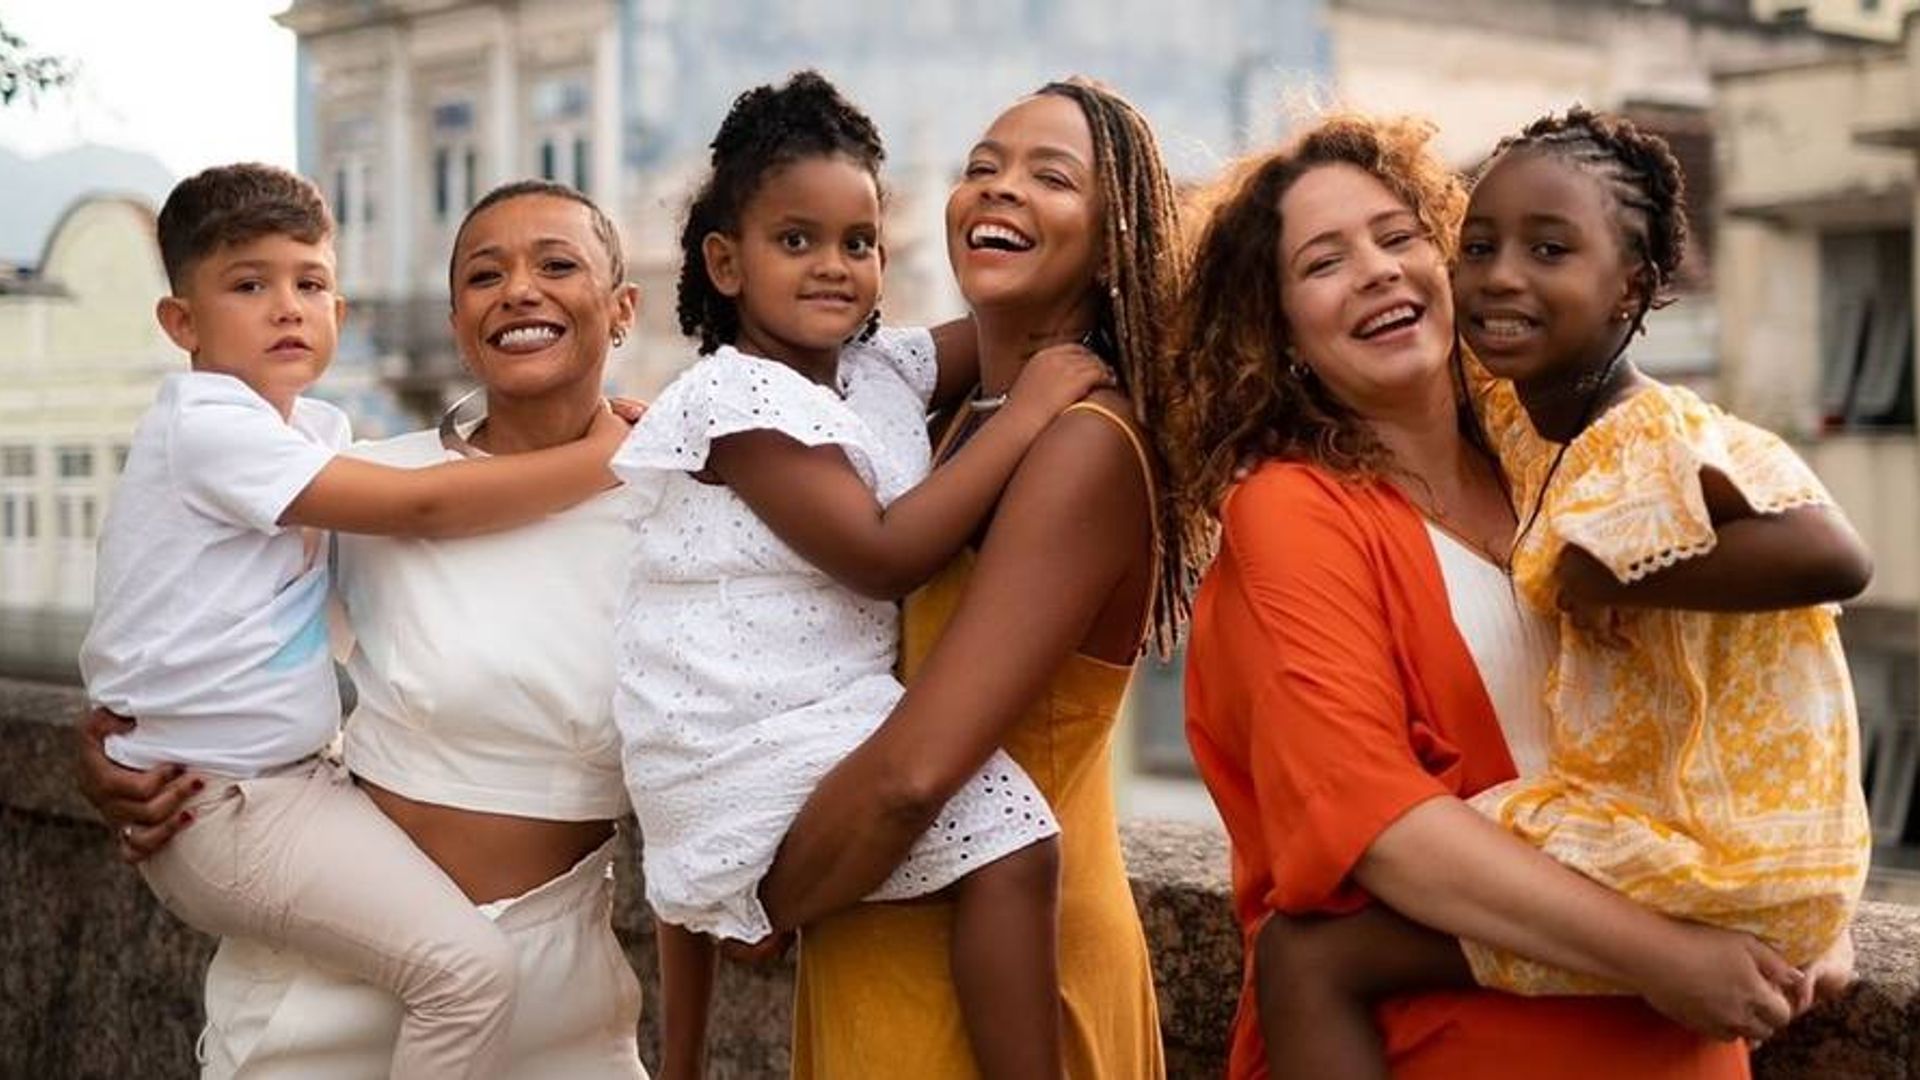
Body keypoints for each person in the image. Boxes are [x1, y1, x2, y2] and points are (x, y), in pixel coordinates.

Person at [1159, 112, 1860, 1080]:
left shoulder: (1559, 457)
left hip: (1683, 1043)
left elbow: (1751, 688)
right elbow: (1376, 830)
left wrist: (1806, 899)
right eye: (1324, 263)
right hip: (1460, 1046)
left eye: (1400, 237)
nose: (1376, 271)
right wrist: (1663, 954)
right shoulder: (1294, 511)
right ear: (1275, 331)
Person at [75, 178, 649, 1079]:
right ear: (457, 322)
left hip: (558, 997)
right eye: (485, 274)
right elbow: (192, 599)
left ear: (622, 308)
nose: (519, 291)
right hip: (324, 983)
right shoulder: (366, 478)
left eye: (557, 265)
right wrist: (115, 742)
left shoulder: (676, 505)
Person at [617, 71, 1110, 1080]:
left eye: (859, 243)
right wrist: (1027, 417)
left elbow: (1026, 328)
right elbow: (883, 558)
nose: (833, 268)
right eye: (795, 241)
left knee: (1008, 843)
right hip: (741, 734)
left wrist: (1121, 260)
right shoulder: (738, 401)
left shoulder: (876, 371)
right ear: (725, 263)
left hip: (811, 712)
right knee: (1017, 846)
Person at [729, 76, 1187, 1079]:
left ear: (1114, 242)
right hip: (870, 940)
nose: (1001, 188)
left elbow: (912, 776)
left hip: (1010, 986)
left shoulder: (1083, 445)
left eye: (1050, 177)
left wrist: (758, 896)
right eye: (983, 166)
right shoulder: (939, 419)